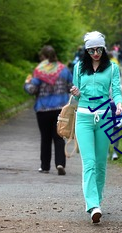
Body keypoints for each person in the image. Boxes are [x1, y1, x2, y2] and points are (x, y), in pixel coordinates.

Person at [70, 31, 122, 223]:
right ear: (86, 50)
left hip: (105, 118)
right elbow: (76, 96)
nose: (95, 53)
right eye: (91, 50)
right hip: (83, 118)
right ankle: (92, 205)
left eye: (99, 49)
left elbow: (116, 90)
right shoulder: (78, 68)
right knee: (89, 163)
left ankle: (97, 201)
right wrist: (75, 92)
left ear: (104, 48)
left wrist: (118, 104)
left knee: (101, 164)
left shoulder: (112, 68)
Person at [24, 45, 73, 175]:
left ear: (43, 57)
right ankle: (60, 163)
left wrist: (27, 83)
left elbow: (32, 90)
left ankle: (45, 166)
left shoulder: (39, 71)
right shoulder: (64, 70)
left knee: (45, 138)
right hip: (60, 109)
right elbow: (71, 87)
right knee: (59, 137)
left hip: (43, 109)